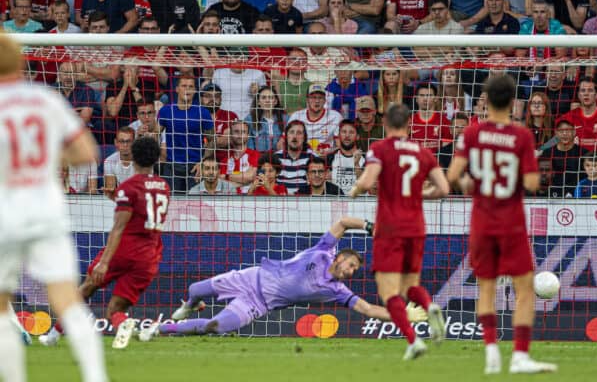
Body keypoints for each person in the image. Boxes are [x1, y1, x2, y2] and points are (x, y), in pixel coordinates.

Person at [0, 32, 107, 382]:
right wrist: (47, 157)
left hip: (6, 213)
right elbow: (86, 154)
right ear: (21, 61)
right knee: (67, 300)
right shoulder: (45, 99)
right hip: (46, 210)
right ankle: (95, 376)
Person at [138, 217, 428, 340]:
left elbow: (368, 309)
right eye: (351, 264)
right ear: (340, 258)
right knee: (195, 289)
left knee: (216, 326)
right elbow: (342, 223)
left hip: (259, 303)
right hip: (251, 278)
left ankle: (161, 330)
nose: (351, 271)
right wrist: (369, 226)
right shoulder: (324, 250)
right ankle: (191, 304)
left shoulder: (337, 290)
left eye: (354, 270)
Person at [446, 75, 558, 374]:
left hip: (482, 220)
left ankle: (492, 351)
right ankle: (520, 355)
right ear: (512, 102)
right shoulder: (521, 136)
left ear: (485, 100)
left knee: (486, 288)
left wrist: (474, 182)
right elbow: (534, 182)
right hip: (511, 221)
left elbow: (453, 175)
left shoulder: (471, 133)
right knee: (523, 288)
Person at [40, 137, 170, 351]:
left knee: (86, 288)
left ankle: (54, 335)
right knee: (114, 309)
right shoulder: (164, 187)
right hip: (149, 255)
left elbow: (119, 227)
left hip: (124, 249)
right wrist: (118, 199)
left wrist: (105, 262)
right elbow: (143, 211)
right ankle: (124, 323)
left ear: (133, 157)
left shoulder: (129, 187)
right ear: (156, 159)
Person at [349, 103, 449, 360]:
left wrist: (356, 190)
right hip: (415, 227)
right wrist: (420, 193)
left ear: (385, 123)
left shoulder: (380, 149)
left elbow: (368, 181)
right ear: (409, 124)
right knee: (410, 286)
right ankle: (430, 306)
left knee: (389, 292)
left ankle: (414, 341)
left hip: (390, 228)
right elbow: (444, 189)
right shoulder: (423, 152)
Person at [103, 126, 136, 197]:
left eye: (128, 141)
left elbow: (143, 189)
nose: (125, 145)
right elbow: (111, 191)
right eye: (121, 141)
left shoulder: (143, 160)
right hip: (119, 199)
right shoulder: (109, 161)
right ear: (116, 142)